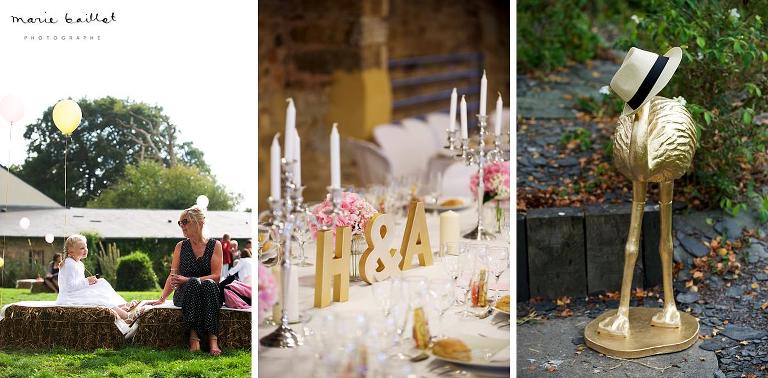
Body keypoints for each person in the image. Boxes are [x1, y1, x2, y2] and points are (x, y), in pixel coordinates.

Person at [150, 205, 224, 356]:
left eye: (185, 222)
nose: (182, 226)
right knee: (193, 284)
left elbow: (216, 276)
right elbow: (173, 276)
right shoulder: (180, 247)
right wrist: (162, 298)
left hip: (208, 292)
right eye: (180, 223)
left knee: (208, 284)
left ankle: (213, 340)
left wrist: (189, 279)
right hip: (186, 293)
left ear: (199, 223)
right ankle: (194, 338)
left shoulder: (215, 245)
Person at [55, 234, 137, 322]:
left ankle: (120, 305)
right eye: (82, 248)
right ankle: (126, 316)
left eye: (85, 247)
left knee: (101, 283)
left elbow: (78, 282)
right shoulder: (69, 264)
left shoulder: (79, 264)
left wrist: (90, 282)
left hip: (76, 292)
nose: (85, 250)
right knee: (99, 298)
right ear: (71, 251)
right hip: (69, 297)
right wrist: (87, 281)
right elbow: (69, 287)